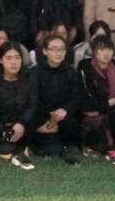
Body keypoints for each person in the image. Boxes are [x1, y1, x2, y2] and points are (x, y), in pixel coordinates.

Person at [0, 41, 36, 169]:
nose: (14, 62)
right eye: (9, 58)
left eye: (17, 58)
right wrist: (3, 131)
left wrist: (21, 123)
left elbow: (32, 104)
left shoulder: (29, 77)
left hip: (21, 124)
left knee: (35, 134)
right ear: (1, 60)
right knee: (4, 147)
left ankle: (19, 151)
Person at [30, 35, 82, 164]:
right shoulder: (34, 72)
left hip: (63, 116)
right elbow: (32, 101)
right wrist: (48, 120)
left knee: (71, 124)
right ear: (45, 51)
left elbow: (75, 97)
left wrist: (65, 109)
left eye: (62, 49)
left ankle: (67, 145)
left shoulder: (71, 72)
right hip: (41, 118)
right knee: (51, 148)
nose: (58, 53)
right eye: (53, 49)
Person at [78, 37, 115, 166]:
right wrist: (107, 104)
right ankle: (100, 145)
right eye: (101, 49)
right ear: (94, 51)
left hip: (112, 111)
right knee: (93, 120)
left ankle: (111, 146)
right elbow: (84, 97)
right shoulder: (84, 68)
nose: (106, 53)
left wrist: (104, 107)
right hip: (91, 112)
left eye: (109, 49)